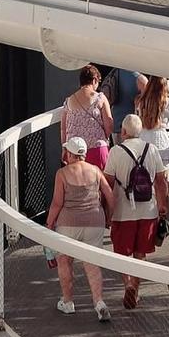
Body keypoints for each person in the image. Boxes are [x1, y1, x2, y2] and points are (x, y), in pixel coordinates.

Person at [46, 135, 115, 321]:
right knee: (92, 265)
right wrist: (109, 218)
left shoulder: (62, 174)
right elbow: (110, 195)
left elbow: (57, 203)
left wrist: (49, 223)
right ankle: (99, 302)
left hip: (68, 223)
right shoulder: (95, 170)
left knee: (64, 261)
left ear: (70, 153)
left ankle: (68, 302)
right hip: (94, 221)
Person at [105, 114, 166, 309]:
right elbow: (161, 180)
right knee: (140, 253)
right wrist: (163, 205)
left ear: (123, 132)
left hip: (123, 212)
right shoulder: (152, 150)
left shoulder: (115, 151)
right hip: (148, 210)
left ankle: (128, 284)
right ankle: (136, 290)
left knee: (122, 254)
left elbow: (108, 184)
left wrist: (107, 211)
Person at [61, 64, 116, 170]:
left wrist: (64, 148)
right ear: (94, 80)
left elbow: (63, 128)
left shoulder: (68, 101)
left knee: (77, 185)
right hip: (96, 148)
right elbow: (109, 125)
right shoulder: (100, 98)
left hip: (74, 153)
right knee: (100, 184)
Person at [136, 75, 169, 181]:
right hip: (161, 139)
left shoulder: (141, 101)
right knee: (161, 179)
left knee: (145, 175)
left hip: (143, 138)